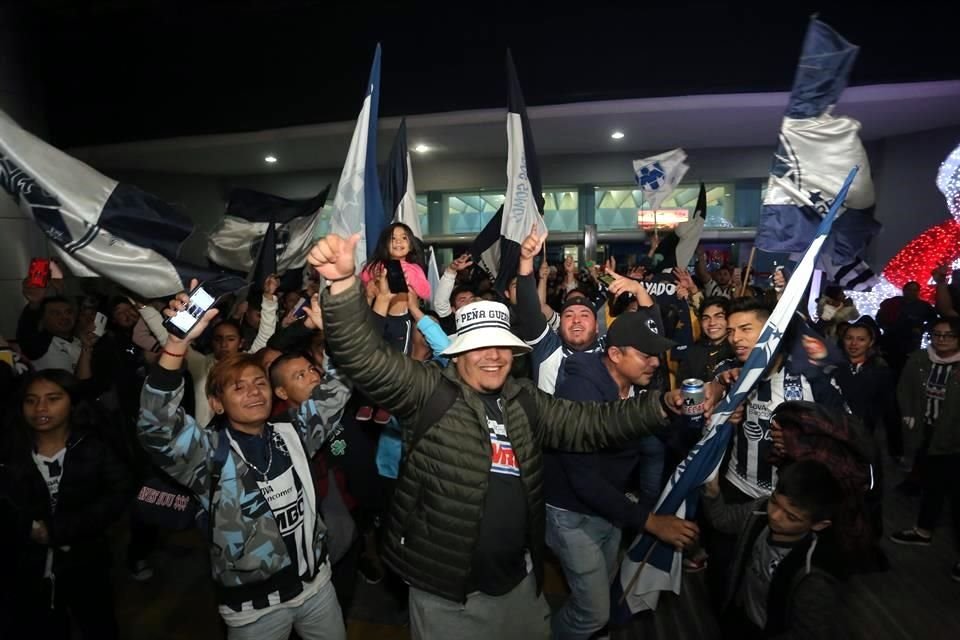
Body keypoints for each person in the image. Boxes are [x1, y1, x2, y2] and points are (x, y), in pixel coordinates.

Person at [307, 231, 720, 640]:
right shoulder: (429, 391)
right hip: (447, 588)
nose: (493, 356)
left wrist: (663, 405)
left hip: (520, 580)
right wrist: (342, 286)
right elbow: (364, 360)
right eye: (479, 346)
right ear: (458, 351)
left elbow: (592, 423)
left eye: (502, 346)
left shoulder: (523, 399)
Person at [137, 282, 351, 640]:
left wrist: (332, 333)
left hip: (317, 587)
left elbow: (336, 390)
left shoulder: (294, 432)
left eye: (260, 383)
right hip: (254, 609)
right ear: (217, 404)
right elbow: (157, 427)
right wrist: (176, 345)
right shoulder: (207, 453)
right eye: (238, 387)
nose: (254, 391)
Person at [545, 311, 695, 640]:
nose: (655, 363)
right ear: (615, 354)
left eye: (657, 354)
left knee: (602, 592)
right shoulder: (581, 390)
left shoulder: (635, 385)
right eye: (645, 355)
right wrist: (651, 522)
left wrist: (704, 414)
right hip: (571, 514)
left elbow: (672, 440)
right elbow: (583, 479)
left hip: (608, 510)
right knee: (592, 611)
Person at [1, 370, 133, 640]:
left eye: (53, 398)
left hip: (85, 561)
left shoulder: (94, 446)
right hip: (25, 567)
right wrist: (28, 527)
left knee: (98, 624)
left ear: (72, 402)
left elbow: (119, 495)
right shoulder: (9, 451)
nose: (41, 408)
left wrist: (60, 529)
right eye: (31, 400)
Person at [703, 460, 845, 639]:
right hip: (738, 612)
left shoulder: (814, 577)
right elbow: (723, 520)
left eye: (791, 516)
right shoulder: (760, 510)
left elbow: (807, 634)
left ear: (819, 524)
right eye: (774, 502)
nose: (775, 516)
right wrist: (713, 494)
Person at [137, 275, 280, 427]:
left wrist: (269, 297)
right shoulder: (202, 365)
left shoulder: (250, 362)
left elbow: (266, 334)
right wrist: (144, 308)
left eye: (230, 339)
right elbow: (167, 337)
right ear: (216, 403)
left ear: (241, 342)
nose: (224, 344)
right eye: (218, 339)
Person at [890, 317, 960, 582]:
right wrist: (908, 414)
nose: (941, 340)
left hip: (955, 439)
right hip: (925, 433)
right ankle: (923, 531)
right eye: (937, 335)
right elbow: (905, 388)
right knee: (931, 485)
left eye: (949, 336)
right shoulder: (920, 358)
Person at [678, 296, 733, 383]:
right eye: (706, 318)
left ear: (730, 319)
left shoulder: (736, 350)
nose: (712, 323)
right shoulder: (692, 353)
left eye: (719, 316)